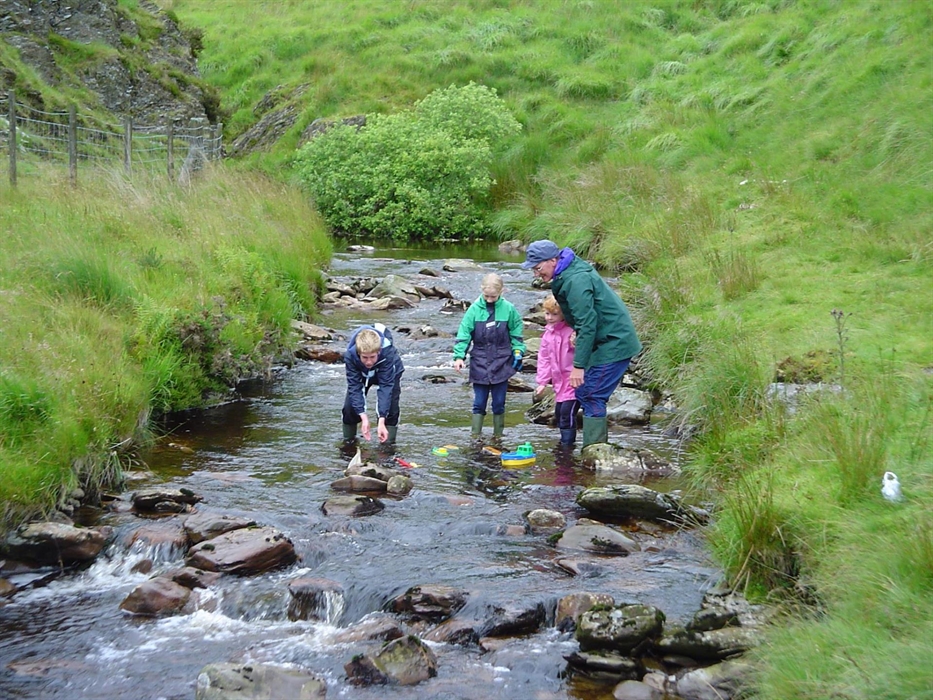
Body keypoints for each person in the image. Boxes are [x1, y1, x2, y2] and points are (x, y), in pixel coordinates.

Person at [522, 240, 641, 448]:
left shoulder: (575, 280)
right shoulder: (566, 272)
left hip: (615, 342)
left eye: (538, 268)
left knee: (590, 393)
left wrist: (577, 367)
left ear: (552, 260)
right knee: (588, 392)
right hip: (604, 339)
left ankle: (595, 453)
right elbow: (584, 318)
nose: (536, 274)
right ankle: (594, 450)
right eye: (533, 269)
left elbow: (588, 323)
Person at [453, 273, 526, 440]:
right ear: (481, 290)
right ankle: (475, 437)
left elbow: (516, 334)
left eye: (493, 296)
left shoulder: (509, 309)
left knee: (499, 404)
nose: (490, 300)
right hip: (479, 361)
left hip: (502, 362)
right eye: (487, 296)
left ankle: (498, 437)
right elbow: (464, 334)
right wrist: (459, 357)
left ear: (502, 291)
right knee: (479, 403)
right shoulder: (473, 310)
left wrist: (518, 352)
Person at [342, 323, 404, 444]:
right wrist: (363, 417)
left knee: (390, 410)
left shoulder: (388, 352)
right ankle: (349, 443)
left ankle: (387, 446)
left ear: (379, 351)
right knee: (350, 409)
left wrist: (381, 421)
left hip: (389, 373)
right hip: (362, 374)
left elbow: (385, 388)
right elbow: (354, 387)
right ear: (358, 353)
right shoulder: (350, 355)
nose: (369, 362)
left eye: (372, 357)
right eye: (365, 357)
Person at [535, 294, 579, 448]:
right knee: (560, 413)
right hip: (559, 382)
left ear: (563, 314)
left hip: (575, 381)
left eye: (555, 314)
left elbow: (583, 350)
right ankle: (564, 441)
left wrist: (576, 341)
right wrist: (542, 381)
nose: (550, 318)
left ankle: (568, 445)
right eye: (547, 314)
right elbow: (544, 359)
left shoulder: (571, 331)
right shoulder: (548, 334)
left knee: (567, 413)